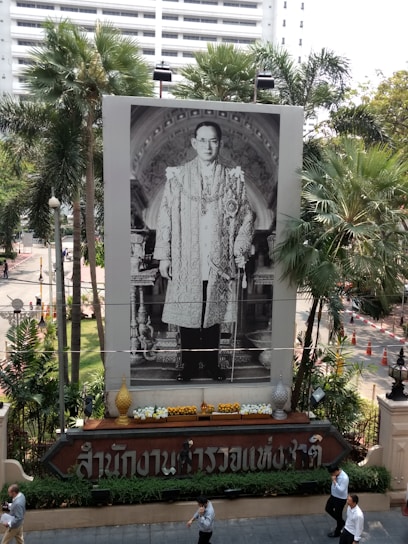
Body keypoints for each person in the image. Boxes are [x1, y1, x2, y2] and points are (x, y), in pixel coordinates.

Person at [153, 121, 255, 381]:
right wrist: (164, 255)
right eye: (203, 140)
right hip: (186, 256)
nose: (208, 146)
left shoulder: (233, 178)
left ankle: (211, 364)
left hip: (217, 259)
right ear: (194, 142)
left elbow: (246, 216)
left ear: (219, 143)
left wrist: (239, 248)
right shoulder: (177, 177)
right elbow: (164, 216)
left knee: (212, 315)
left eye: (214, 141)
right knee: (189, 315)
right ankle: (188, 365)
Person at [325, 464, 349, 537]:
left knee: (338, 515)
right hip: (333, 496)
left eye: (332, 473)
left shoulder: (344, 478)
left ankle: (337, 532)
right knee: (328, 508)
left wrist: (335, 481)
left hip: (340, 499)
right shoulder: (336, 475)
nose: (332, 475)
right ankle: (341, 522)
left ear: (336, 471)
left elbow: (341, 490)